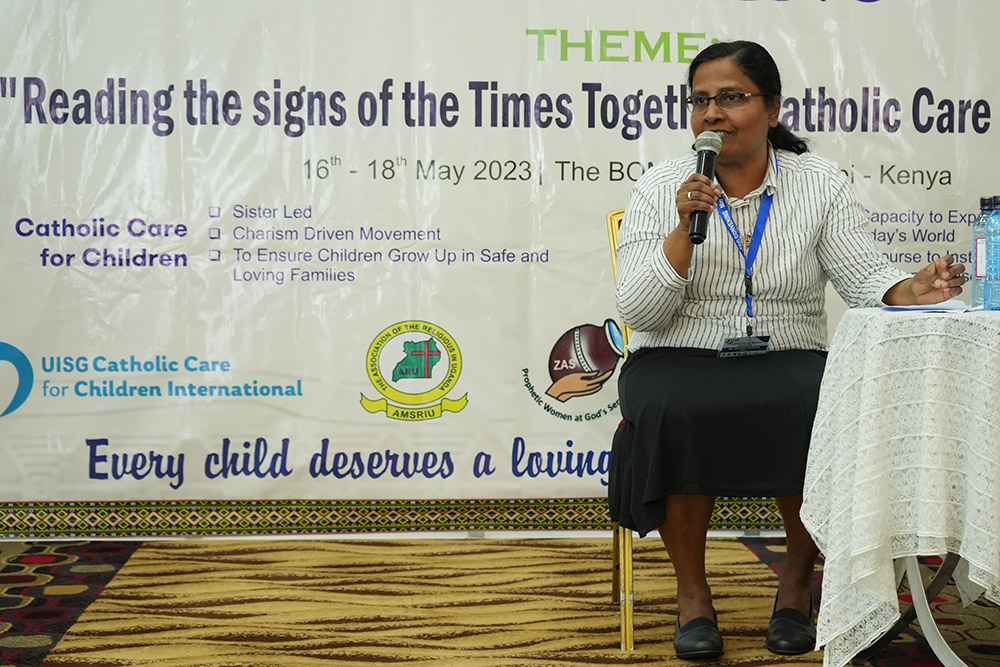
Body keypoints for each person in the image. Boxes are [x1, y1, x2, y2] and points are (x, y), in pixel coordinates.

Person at [607, 40, 965, 660]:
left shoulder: (817, 183)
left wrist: (917, 289)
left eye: (731, 98)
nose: (712, 113)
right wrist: (681, 232)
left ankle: (796, 586)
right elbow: (640, 313)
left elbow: (866, 282)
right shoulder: (662, 185)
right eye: (700, 101)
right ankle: (693, 595)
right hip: (678, 353)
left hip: (786, 350)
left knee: (819, 404)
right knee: (673, 408)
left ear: (772, 110)